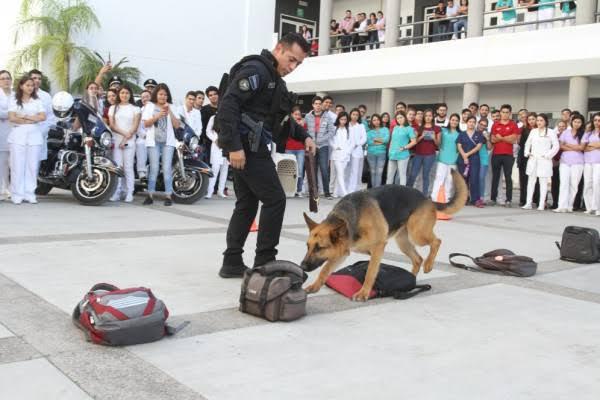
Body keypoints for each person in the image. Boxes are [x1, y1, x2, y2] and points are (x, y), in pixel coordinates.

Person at [215, 33, 315, 278]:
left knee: (247, 204)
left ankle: (232, 262)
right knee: (275, 199)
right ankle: (265, 261)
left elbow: (281, 117)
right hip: (247, 149)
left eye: (298, 64)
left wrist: (304, 137)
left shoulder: (275, 80)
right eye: (290, 60)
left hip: (251, 147)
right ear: (278, 49)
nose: (292, 67)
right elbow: (228, 105)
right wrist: (233, 146)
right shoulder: (256, 71)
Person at [7, 75, 46, 204]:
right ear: (21, 86)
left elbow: (42, 117)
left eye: (32, 85)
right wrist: (32, 118)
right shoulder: (14, 99)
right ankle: (17, 194)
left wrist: (25, 117)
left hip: (34, 136)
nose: (30, 87)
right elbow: (12, 117)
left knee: (32, 166)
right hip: (18, 135)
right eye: (28, 85)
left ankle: (29, 193)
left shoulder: (37, 100)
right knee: (17, 165)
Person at [142, 83, 181, 206]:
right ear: (156, 95)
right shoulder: (149, 106)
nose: (163, 96)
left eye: (165, 94)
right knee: (154, 168)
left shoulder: (172, 107)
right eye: (160, 94)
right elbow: (146, 124)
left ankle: (168, 195)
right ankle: (150, 195)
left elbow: (177, 125)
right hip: (153, 141)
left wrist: (169, 112)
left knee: (167, 168)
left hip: (168, 142)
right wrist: (158, 115)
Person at [108, 85, 141, 203]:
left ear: (130, 95)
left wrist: (126, 139)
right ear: (119, 94)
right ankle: (116, 192)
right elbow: (112, 125)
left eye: (127, 93)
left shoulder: (135, 109)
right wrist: (123, 136)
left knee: (128, 167)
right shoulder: (113, 108)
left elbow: (135, 126)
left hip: (130, 142)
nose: (124, 95)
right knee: (117, 167)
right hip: (116, 140)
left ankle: (129, 192)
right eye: (122, 93)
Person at [522, 114, 559, 210]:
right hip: (533, 159)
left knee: (543, 183)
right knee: (531, 182)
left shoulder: (550, 132)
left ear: (546, 121)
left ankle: (541, 204)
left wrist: (548, 155)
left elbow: (556, 146)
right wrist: (527, 152)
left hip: (544, 160)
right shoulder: (533, 131)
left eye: (541, 120)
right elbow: (527, 143)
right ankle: (528, 203)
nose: (539, 122)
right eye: (537, 120)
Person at [490, 104, 519, 207]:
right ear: (500, 113)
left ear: (510, 114)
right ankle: (493, 198)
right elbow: (493, 139)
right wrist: (507, 137)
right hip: (496, 154)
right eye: (503, 112)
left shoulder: (513, 124)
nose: (505, 114)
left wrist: (501, 138)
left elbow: (514, 139)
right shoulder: (495, 124)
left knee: (508, 177)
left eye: (507, 112)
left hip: (508, 155)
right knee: (495, 177)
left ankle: (508, 199)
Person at [305, 96, 334, 198]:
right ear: (313, 105)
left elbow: (331, 132)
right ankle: (314, 192)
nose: (318, 106)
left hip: (323, 146)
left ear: (321, 105)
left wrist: (320, 140)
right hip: (311, 147)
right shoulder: (308, 117)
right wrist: (311, 141)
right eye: (316, 104)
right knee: (313, 170)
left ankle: (327, 192)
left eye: (319, 104)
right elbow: (305, 131)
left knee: (324, 169)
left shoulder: (327, 117)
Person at [554, 114, 585, 213]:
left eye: (579, 122)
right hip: (565, 162)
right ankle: (561, 205)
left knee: (574, 184)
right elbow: (561, 146)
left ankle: (569, 205)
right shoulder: (566, 132)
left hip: (578, 162)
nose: (577, 124)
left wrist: (568, 145)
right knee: (564, 183)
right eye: (575, 121)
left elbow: (582, 148)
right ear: (571, 122)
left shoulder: (584, 134)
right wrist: (575, 147)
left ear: (582, 123)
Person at [408, 109, 439, 195]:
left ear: (432, 117)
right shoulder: (418, 127)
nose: (428, 117)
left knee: (426, 175)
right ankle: (407, 193)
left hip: (430, 154)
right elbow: (414, 141)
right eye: (426, 116)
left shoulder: (437, 128)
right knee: (413, 174)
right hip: (418, 154)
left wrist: (434, 138)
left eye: (430, 116)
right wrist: (422, 136)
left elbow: (438, 144)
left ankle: (425, 195)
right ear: (424, 117)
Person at [457, 115, 486, 206]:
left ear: (475, 124)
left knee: (474, 179)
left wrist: (467, 155)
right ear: (467, 123)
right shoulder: (462, 134)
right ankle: (464, 198)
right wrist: (464, 156)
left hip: (474, 159)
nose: (471, 123)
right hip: (462, 160)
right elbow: (459, 145)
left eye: (473, 122)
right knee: (463, 179)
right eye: (470, 122)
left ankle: (475, 199)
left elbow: (478, 147)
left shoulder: (479, 134)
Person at [431, 113, 460, 203]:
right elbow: (437, 142)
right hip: (442, 159)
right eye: (452, 120)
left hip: (454, 160)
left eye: (456, 120)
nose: (454, 122)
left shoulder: (460, 134)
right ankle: (434, 198)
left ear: (458, 122)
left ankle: (447, 199)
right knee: (439, 179)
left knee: (449, 180)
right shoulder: (443, 130)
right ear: (449, 120)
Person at [28, 69, 55, 162]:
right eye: (34, 78)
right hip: (23, 138)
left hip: (40, 136)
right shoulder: (21, 95)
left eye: (39, 78)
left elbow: (51, 118)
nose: (37, 80)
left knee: (35, 169)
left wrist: (41, 133)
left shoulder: (46, 96)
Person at [387, 111, 416, 185]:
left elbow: (414, 142)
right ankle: (387, 194)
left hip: (403, 155)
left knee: (402, 176)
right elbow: (392, 140)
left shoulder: (409, 128)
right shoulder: (395, 128)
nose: (399, 119)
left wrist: (404, 147)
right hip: (392, 154)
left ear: (405, 117)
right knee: (389, 176)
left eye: (401, 117)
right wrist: (390, 150)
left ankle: (402, 194)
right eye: (397, 118)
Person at [517, 112, 540, 207]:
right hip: (525, 156)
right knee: (524, 179)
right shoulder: (523, 130)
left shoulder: (541, 130)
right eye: (529, 119)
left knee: (538, 179)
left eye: (533, 119)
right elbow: (520, 143)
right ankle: (524, 199)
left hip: (538, 157)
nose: (531, 121)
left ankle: (538, 199)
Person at [205, 114, 229, 199]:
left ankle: (221, 191)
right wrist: (215, 139)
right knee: (215, 169)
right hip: (216, 145)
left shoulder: (231, 117)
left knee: (224, 169)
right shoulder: (214, 117)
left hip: (228, 146)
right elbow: (208, 131)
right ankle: (209, 191)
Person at [330, 112, 353, 197]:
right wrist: (335, 147)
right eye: (341, 119)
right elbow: (330, 140)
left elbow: (352, 143)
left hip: (345, 155)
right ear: (338, 119)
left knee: (341, 173)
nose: (343, 121)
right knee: (340, 173)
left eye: (345, 119)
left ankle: (335, 193)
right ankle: (345, 193)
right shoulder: (334, 128)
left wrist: (348, 152)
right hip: (336, 155)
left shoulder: (349, 129)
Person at [285, 106, 307, 196]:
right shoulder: (288, 123)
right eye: (295, 114)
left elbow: (305, 136)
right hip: (289, 148)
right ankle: (290, 189)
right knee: (290, 170)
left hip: (300, 149)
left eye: (299, 114)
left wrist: (301, 126)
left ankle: (299, 190)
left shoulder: (303, 124)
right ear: (291, 115)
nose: (297, 116)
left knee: (300, 170)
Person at [582, 113, 600, 216]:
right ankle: (589, 207)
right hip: (588, 162)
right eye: (595, 120)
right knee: (588, 184)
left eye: (599, 120)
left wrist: (591, 145)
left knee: (597, 184)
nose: (597, 122)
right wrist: (596, 146)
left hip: (598, 162)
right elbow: (583, 147)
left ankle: (596, 207)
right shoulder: (588, 133)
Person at [366, 113, 389, 188]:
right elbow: (369, 142)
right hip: (371, 153)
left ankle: (377, 190)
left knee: (379, 172)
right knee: (373, 172)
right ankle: (373, 190)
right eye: (374, 120)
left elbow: (386, 140)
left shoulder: (385, 129)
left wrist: (375, 141)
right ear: (372, 121)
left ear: (380, 120)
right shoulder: (369, 132)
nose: (376, 121)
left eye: (377, 120)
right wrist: (380, 141)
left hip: (381, 153)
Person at [0, 70, 13, 200]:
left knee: (14, 164)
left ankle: (12, 189)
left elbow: (20, 111)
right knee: (2, 163)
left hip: (16, 133)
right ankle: (2, 189)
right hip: (2, 133)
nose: (6, 80)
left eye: (8, 78)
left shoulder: (16, 95)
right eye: (3, 78)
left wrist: (8, 114)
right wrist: (11, 115)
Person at [348, 107, 367, 192]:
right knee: (347, 170)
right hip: (347, 151)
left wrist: (357, 144)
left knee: (355, 171)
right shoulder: (346, 125)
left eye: (357, 115)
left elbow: (364, 138)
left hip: (357, 150)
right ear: (350, 115)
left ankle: (353, 189)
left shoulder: (361, 126)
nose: (355, 116)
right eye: (353, 114)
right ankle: (346, 188)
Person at [200, 86, 219, 163]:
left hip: (223, 141)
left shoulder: (224, 108)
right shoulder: (204, 110)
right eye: (210, 95)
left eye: (215, 94)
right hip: (208, 142)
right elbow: (203, 127)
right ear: (208, 97)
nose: (213, 96)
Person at [136, 90, 152, 180]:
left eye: (147, 96)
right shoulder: (139, 111)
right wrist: (145, 135)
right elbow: (138, 127)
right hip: (144, 137)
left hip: (156, 137)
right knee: (140, 144)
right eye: (142, 97)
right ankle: (141, 171)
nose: (145, 99)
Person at [477, 118, 492, 202]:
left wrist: (487, 139)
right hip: (474, 157)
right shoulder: (473, 132)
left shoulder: (487, 134)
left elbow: (489, 147)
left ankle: (481, 197)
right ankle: (474, 196)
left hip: (483, 158)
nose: (482, 126)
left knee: (481, 177)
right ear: (478, 124)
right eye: (481, 124)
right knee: (474, 178)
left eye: (484, 125)